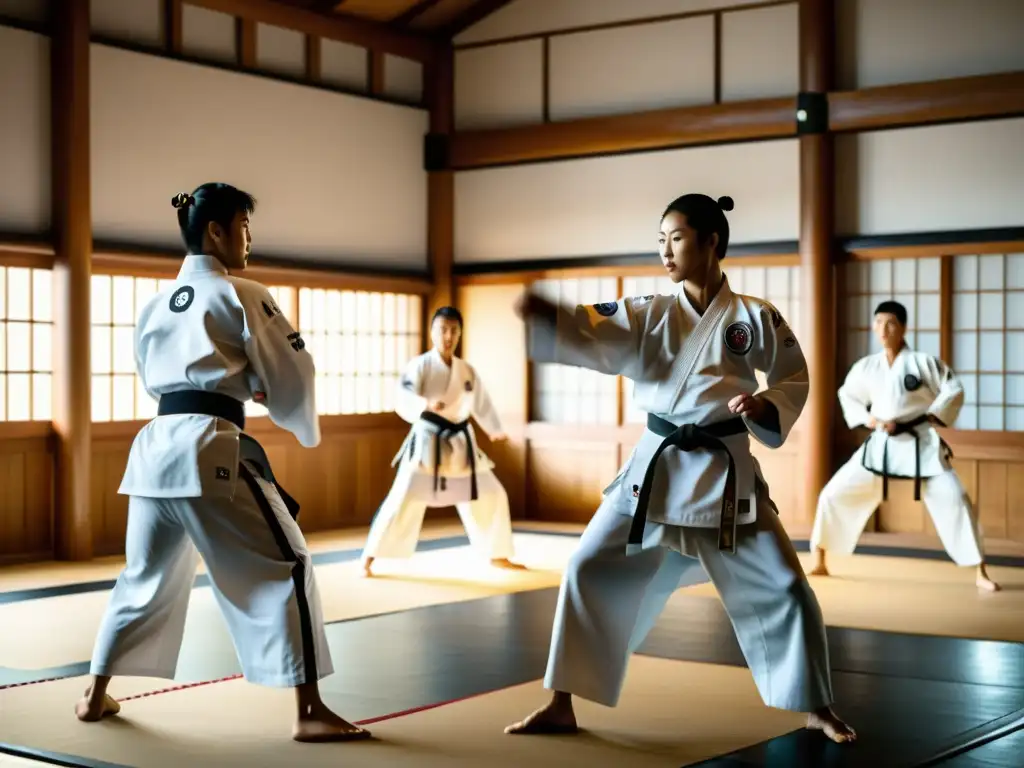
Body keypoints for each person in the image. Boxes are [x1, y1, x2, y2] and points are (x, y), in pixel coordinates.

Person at [504, 193, 855, 744]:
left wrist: (765, 405)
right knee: (586, 568)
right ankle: (560, 702)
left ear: (712, 240)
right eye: (660, 239)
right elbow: (594, 330)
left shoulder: (754, 316)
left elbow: (794, 376)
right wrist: (555, 320)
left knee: (786, 586)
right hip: (654, 471)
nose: (666, 250)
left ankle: (817, 705)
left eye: (677, 237)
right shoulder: (648, 309)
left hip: (725, 473)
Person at [76, 183, 370, 743]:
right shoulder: (244, 293)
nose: (249, 240)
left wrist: (239, 383)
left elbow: (156, 378)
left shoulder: (155, 304)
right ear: (216, 231)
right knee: (289, 564)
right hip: (209, 447)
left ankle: (93, 696)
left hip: (154, 450)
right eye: (243, 226)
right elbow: (292, 369)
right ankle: (309, 713)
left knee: (143, 578)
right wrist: (270, 396)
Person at [809, 301, 999, 592]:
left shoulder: (923, 362)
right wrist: (869, 419)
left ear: (904, 328)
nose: (883, 330)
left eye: (891, 323)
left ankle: (980, 571)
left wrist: (935, 412)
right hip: (882, 445)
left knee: (957, 498)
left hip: (919, 442)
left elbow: (953, 388)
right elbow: (847, 394)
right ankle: (819, 559)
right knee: (833, 494)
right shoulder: (867, 366)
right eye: (878, 323)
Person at [361, 306, 524, 577]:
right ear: (432, 332)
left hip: (460, 443)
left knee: (492, 493)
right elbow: (403, 394)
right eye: (442, 330)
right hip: (428, 442)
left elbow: (480, 402)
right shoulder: (421, 365)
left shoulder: (466, 370)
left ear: (460, 333)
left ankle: (498, 554)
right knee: (402, 497)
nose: (448, 336)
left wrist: (494, 428)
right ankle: (369, 556)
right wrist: (424, 403)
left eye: (454, 330)